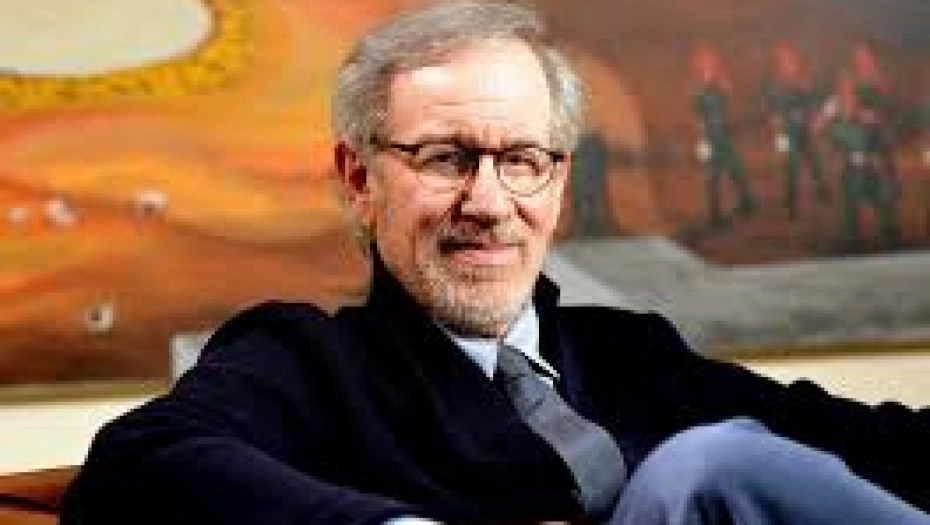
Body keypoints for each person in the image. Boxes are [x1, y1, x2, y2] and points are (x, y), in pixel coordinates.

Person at [61, 2, 929, 524]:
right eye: (445, 158)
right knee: (704, 467)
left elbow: (868, 443)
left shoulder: (629, 352)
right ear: (360, 180)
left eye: (522, 160)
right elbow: (139, 461)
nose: (488, 200)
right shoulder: (308, 361)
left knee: (731, 460)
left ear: (558, 182)